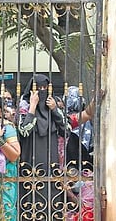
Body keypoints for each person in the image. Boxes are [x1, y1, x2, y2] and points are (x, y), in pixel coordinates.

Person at [17, 74, 67, 220]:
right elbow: (24, 130)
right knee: (30, 193)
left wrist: (55, 110)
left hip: (50, 158)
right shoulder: (24, 107)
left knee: (50, 191)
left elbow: (66, 130)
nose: (42, 91)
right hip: (30, 157)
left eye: (45, 88)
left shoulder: (53, 107)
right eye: (38, 88)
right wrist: (32, 106)